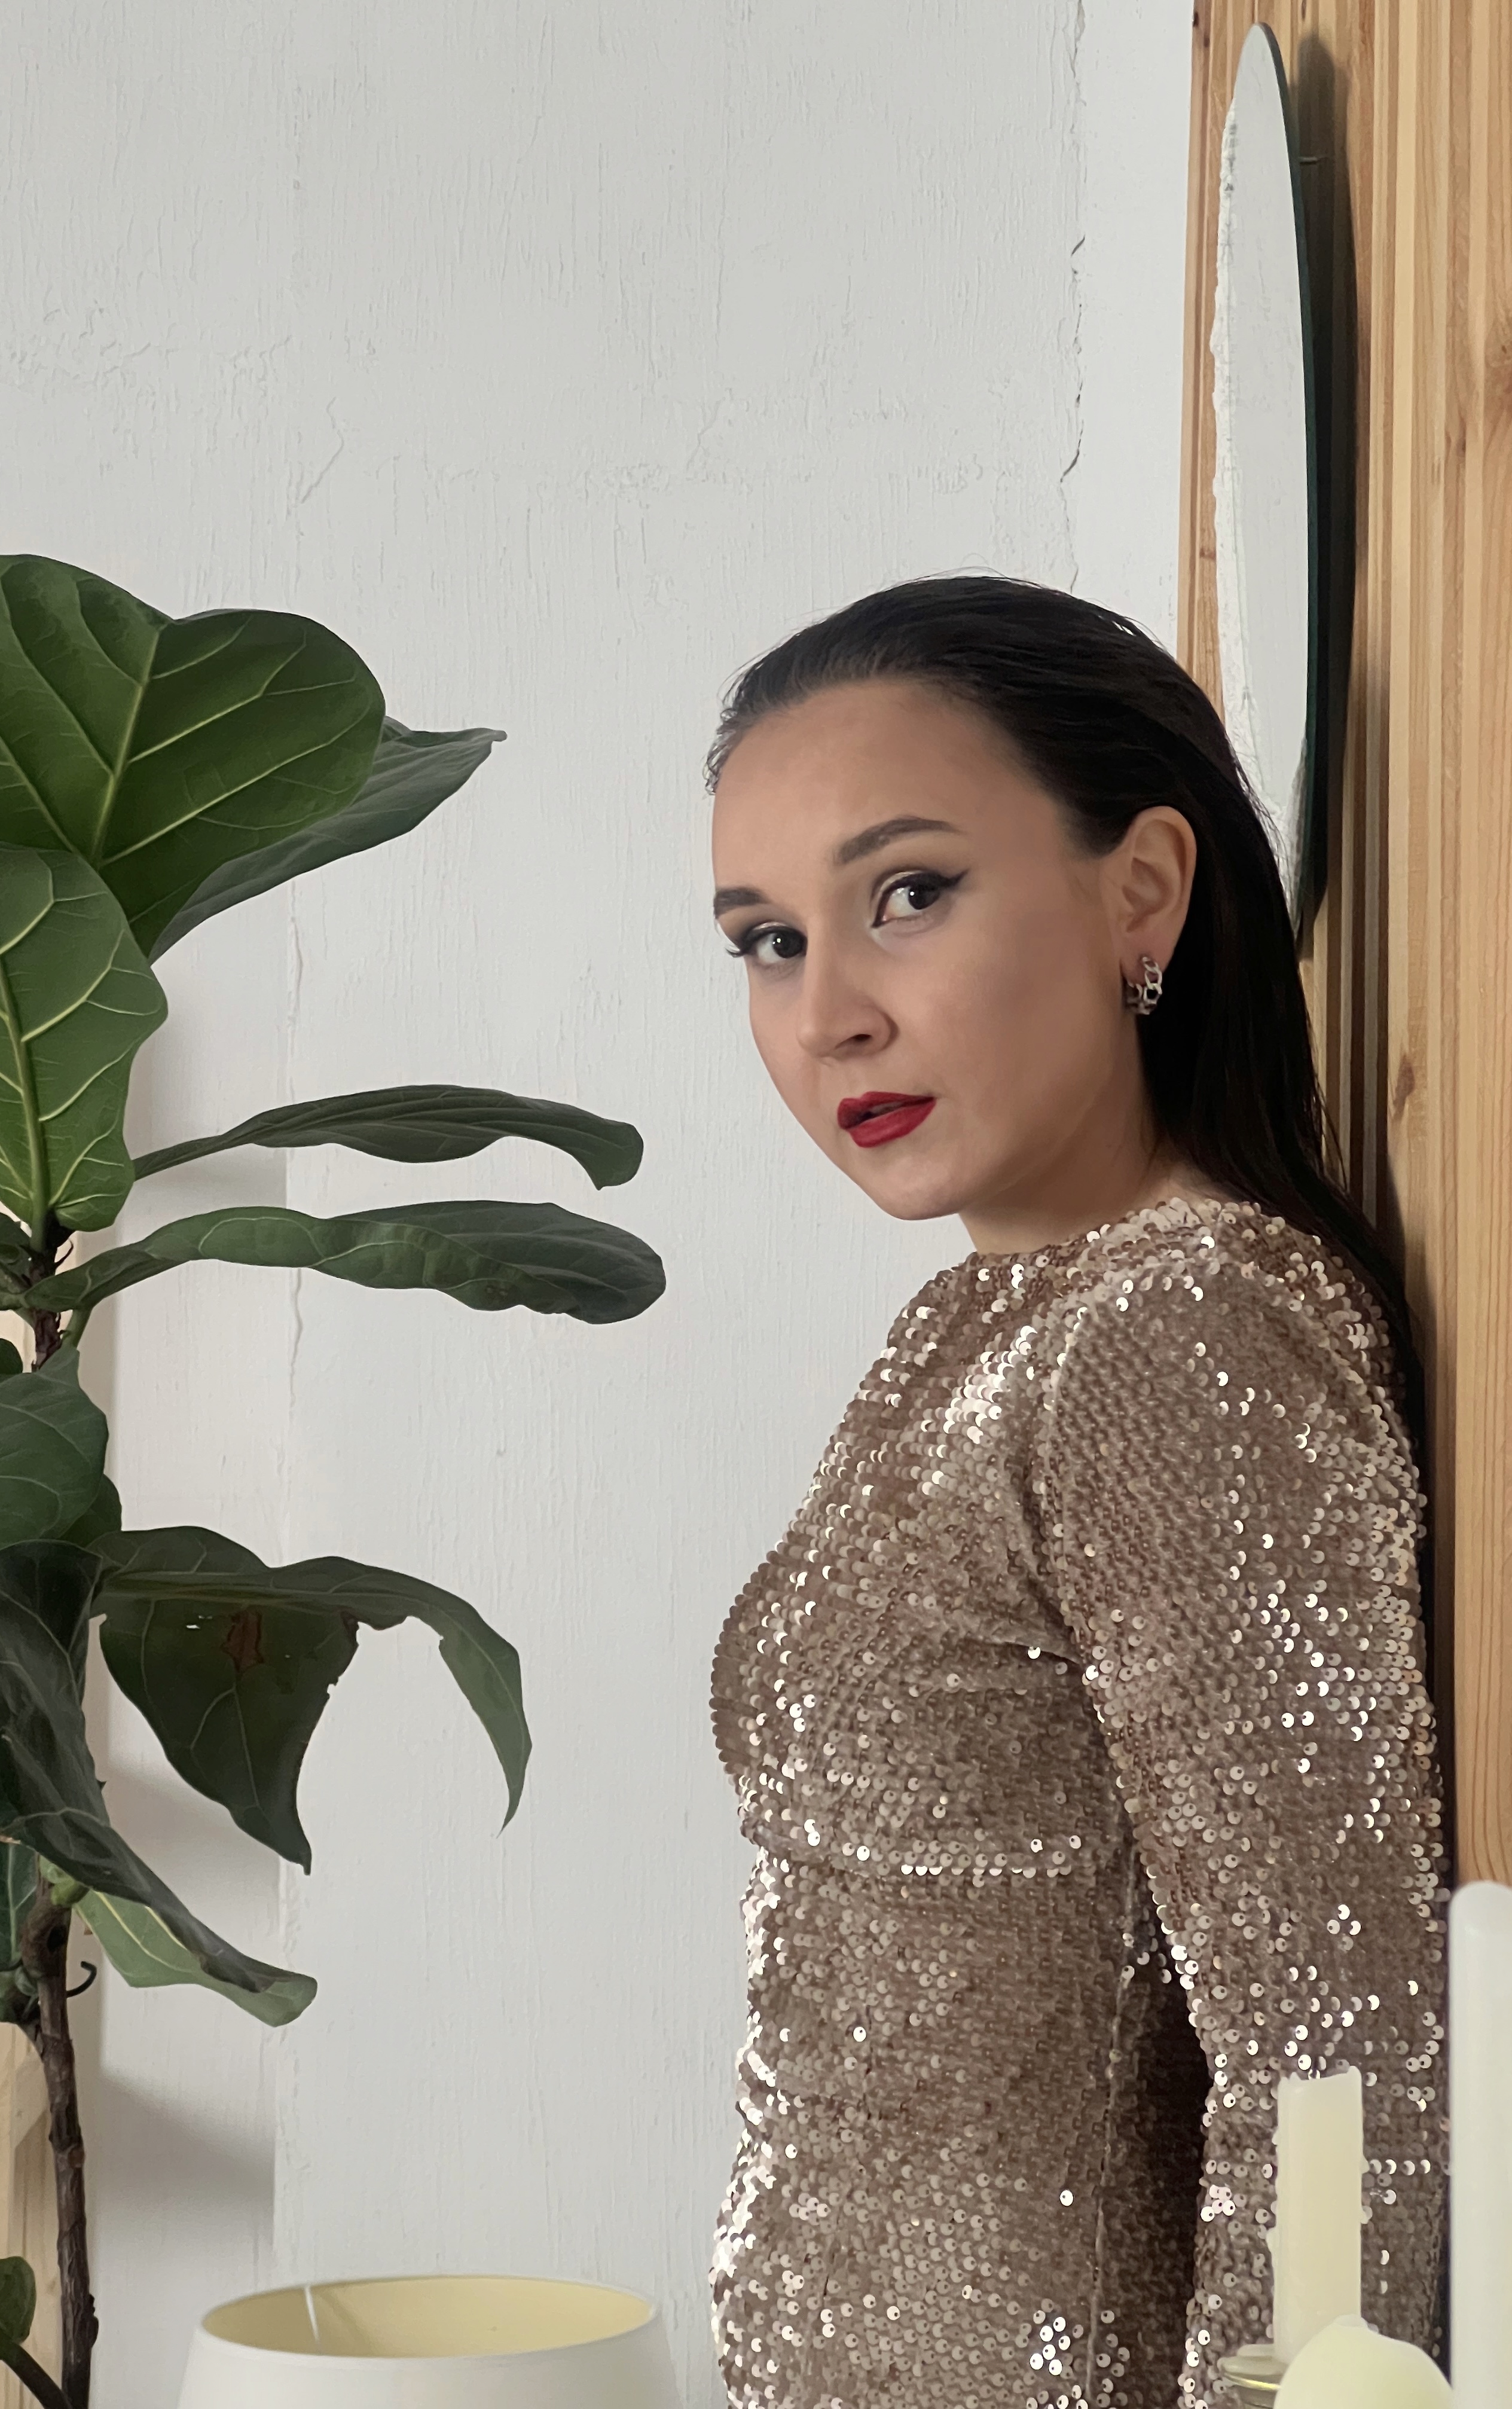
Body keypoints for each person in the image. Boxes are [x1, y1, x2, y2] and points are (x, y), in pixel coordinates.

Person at [702, 575, 1447, 2409]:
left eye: (907, 894)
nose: (827, 1012)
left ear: (1142, 892)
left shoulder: (1181, 1335)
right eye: (767, 941)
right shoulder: (980, 1326)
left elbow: (1337, 2064)